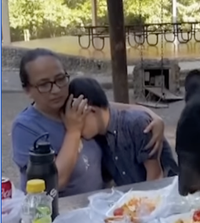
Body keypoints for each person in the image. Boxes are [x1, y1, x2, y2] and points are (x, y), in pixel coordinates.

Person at [11, 48, 166, 197]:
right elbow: (55, 183)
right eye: (44, 84)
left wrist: (153, 116)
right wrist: (73, 131)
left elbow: (106, 107)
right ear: (27, 91)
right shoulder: (25, 127)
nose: (56, 90)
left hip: (98, 206)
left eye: (60, 79)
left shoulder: (73, 103)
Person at [66, 77, 178, 186]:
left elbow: (155, 177)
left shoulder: (137, 125)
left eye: (78, 120)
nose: (76, 126)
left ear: (92, 111)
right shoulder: (98, 137)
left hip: (164, 193)